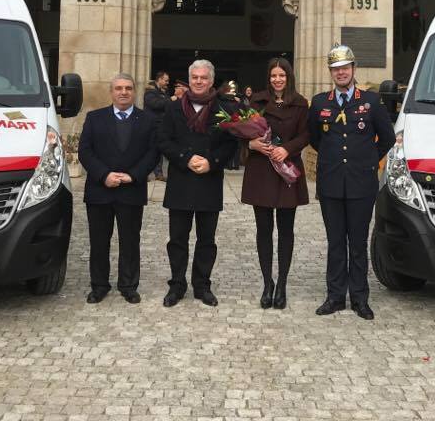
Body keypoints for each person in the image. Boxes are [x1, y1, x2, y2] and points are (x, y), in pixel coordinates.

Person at [308, 44, 395, 320]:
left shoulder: (371, 101)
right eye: (336, 69)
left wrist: (369, 160)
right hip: (332, 183)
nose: (341, 73)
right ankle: (335, 297)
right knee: (335, 242)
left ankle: (359, 298)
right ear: (331, 72)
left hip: (361, 185)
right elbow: (315, 139)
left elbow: (388, 138)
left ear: (353, 69)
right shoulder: (320, 102)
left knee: (357, 243)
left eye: (345, 68)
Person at [158, 59, 239, 307]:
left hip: (209, 181)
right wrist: (185, 158)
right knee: (177, 239)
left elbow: (231, 144)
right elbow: (164, 140)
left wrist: (212, 162)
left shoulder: (224, 107)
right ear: (189, 79)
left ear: (212, 80)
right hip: (181, 180)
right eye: (195, 77)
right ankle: (177, 285)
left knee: (207, 240)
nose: (199, 81)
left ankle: (202, 286)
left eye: (204, 77)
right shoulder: (173, 108)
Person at [78, 73, 159, 304]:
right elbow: (85, 151)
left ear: (134, 92)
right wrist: (104, 175)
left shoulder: (147, 120)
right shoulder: (95, 118)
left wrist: (132, 176)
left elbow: (153, 153)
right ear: (111, 92)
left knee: (130, 241)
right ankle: (99, 286)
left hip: (131, 190)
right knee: (99, 241)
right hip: (100, 190)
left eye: (128, 88)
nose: (123, 92)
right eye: (119, 88)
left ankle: (128, 285)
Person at [241, 58, 309, 309]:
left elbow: (306, 134)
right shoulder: (256, 101)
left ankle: (282, 284)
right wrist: (252, 144)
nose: (277, 79)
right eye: (273, 75)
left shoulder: (300, 103)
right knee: (263, 230)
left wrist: (287, 149)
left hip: (287, 170)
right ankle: (267, 283)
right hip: (262, 170)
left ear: (289, 77)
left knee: (286, 230)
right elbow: (241, 131)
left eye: (282, 75)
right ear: (268, 77)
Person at [144, 70, 174, 181]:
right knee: (148, 149)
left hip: (160, 125)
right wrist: (170, 100)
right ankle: (144, 173)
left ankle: (159, 174)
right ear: (160, 79)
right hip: (151, 125)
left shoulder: (163, 91)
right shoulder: (150, 91)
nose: (167, 82)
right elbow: (155, 104)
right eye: (166, 80)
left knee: (159, 149)